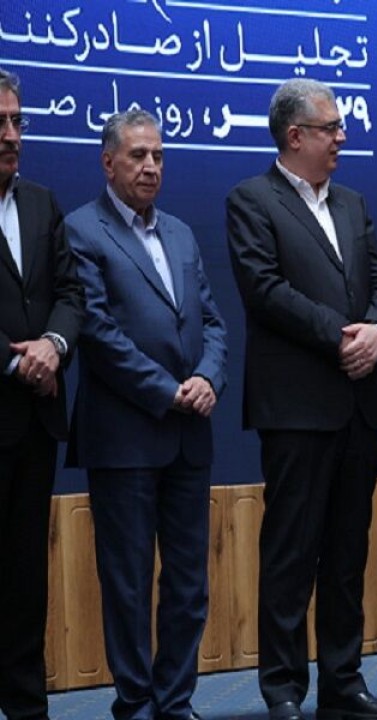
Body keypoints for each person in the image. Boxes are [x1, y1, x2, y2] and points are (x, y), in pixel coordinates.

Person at [225, 79, 377, 720]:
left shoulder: (353, 202)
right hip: (296, 408)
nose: (342, 137)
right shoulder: (251, 200)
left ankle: (342, 684)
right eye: (331, 127)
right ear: (295, 135)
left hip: (358, 403)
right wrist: (343, 335)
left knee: (348, 553)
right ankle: (283, 690)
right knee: (291, 554)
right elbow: (264, 290)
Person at [65, 109, 228, 720]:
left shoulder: (180, 233)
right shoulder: (82, 230)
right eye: (137, 155)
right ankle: (135, 704)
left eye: (158, 155)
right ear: (108, 163)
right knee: (128, 584)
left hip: (188, 435)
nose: (151, 166)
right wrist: (168, 390)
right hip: (125, 437)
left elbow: (212, 321)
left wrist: (208, 378)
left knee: (188, 583)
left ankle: (175, 701)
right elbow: (97, 333)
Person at [0, 67, 84, 720]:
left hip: (34, 421)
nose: (10, 135)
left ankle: (27, 707)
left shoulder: (41, 202)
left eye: (16, 121)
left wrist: (53, 346)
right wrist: (16, 362)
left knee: (27, 573)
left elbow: (70, 292)